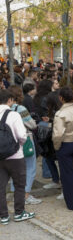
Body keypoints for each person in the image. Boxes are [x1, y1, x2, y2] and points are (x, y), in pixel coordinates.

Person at [0, 90, 34, 224]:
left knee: (0, 187)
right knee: (19, 185)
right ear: (9, 100)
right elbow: (21, 135)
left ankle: (3, 216)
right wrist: (17, 146)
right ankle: (19, 213)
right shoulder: (13, 114)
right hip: (15, 156)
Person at [7, 86, 40, 205]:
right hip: (25, 140)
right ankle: (26, 195)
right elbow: (31, 124)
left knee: (15, 169)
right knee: (30, 167)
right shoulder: (20, 108)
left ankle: (16, 193)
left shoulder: (5, 109)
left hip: (10, 142)